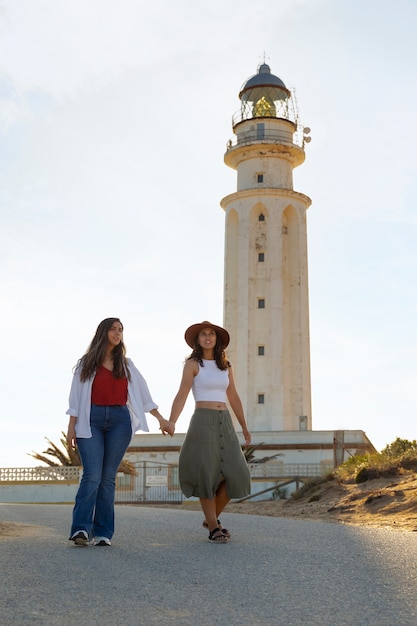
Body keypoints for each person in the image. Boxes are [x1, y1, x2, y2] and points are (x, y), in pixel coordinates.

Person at [66, 317, 170, 546]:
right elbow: (75, 399)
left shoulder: (127, 364)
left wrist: (160, 418)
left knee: (108, 478)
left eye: (121, 330)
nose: (117, 333)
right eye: (113, 329)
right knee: (92, 475)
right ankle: (81, 529)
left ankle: (103, 532)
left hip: (119, 421)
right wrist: (71, 427)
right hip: (90, 420)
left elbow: (144, 395)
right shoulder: (86, 364)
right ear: (102, 333)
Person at [166, 321, 251, 543]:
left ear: (217, 339)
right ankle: (213, 526)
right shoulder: (193, 364)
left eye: (211, 333)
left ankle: (211, 518)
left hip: (224, 421)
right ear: (197, 340)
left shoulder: (226, 366)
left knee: (238, 473)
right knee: (206, 473)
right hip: (202, 420)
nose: (207, 337)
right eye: (203, 334)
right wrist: (172, 421)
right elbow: (182, 394)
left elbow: (233, 396)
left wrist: (244, 426)